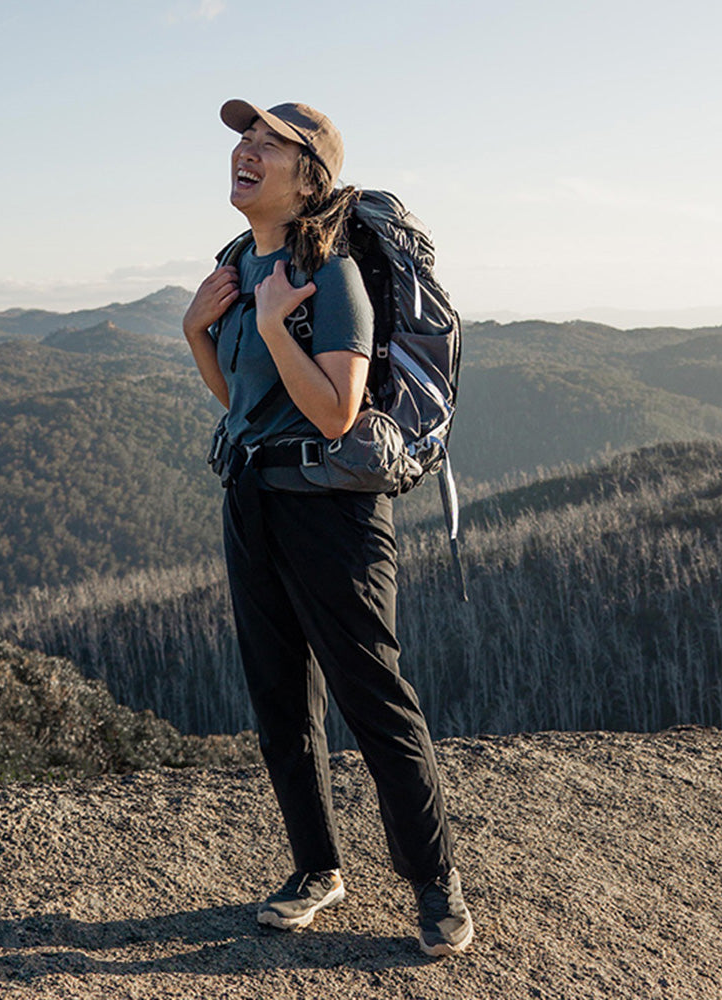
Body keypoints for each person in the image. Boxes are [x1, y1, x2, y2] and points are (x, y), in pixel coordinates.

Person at [181, 99, 473, 958]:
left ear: (310, 178)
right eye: (244, 137)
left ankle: (436, 883)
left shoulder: (330, 273)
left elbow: (337, 411)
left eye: (267, 142)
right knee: (279, 702)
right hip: (253, 496)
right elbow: (242, 401)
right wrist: (197, 330)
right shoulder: (238, 264)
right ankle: (317, 869)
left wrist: (276, 323)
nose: (245, 149)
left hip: (333, 511)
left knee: (372, 697)